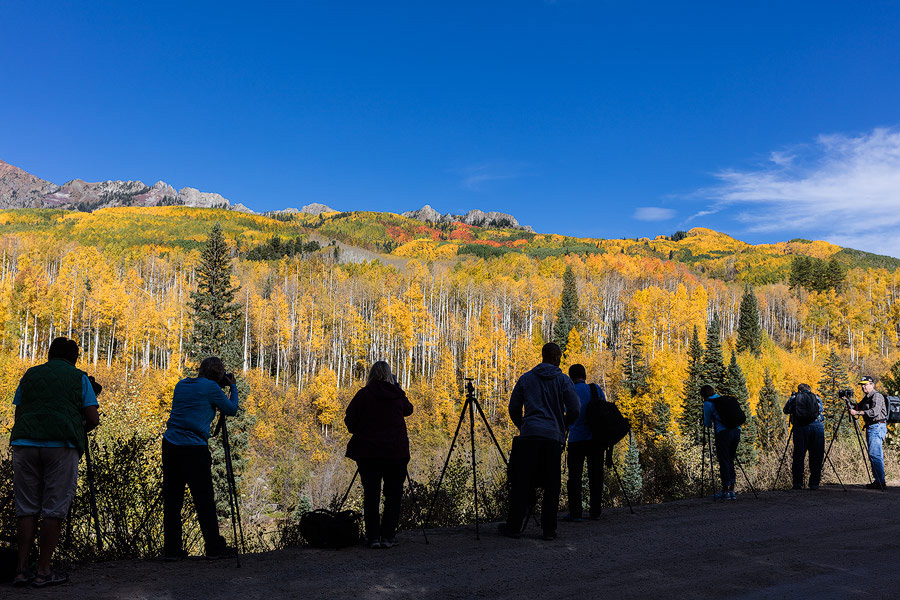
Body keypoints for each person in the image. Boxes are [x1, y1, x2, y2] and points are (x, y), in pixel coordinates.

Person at [10, 337, 100, 587]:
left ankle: (20, 570)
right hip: (61, 445)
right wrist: (77, 426)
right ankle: (43, 571)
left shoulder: (30, 375)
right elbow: (92, 418)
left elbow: (19, 413)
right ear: (75, 358)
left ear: (49, 354)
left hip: (25, 443)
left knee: (26, 508)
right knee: (53, 508)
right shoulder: (79, 377)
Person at [499, 343, 580, 541]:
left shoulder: (526, 378)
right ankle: (548, 530)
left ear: (543, 356)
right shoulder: (563, 381)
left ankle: (514, 527)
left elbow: (514, 407)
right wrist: (563, 425)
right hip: (552, 438)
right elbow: (575, 408)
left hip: (528, 437)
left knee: (522, 482)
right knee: (551, 486)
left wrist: (523, 426)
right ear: (556, 358)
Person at [162, 356, 239, 560]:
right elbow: (231, 409)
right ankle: (214, 548)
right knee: (204, 499)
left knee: (172, 499)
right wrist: (233, 388)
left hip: (170, 444)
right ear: (219, 375)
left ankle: (171, 549)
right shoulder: (212, 389)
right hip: (194, 448)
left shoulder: (181, 384)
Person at [344, 361, 413, 549]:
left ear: (371, 375)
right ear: (389, 375)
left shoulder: (363, 395)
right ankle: (388, 537)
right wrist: (398, 387)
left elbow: (349, 422)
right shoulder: (397, 395)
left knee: (371, 495)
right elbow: (409, 410)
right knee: (393, 495)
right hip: (395, 453)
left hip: (369, 454)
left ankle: (373, 537)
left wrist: (364, 430)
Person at [563, 363, 604, 522]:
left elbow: (565, 411)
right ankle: (595, 512)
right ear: (585, 376)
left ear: (571, 377)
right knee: (596, 475)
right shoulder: (595, 389)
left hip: (576, 439)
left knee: (575, 477)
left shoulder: (570, 391)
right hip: (595, 439)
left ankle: (576, 513)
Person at [782, 383, 825, 490]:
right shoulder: (816, 397)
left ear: (799, 390)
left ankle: (797, 484)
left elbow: (786, 410)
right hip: (817, 427)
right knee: (816, 456)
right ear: (809, 390)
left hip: (800, 428)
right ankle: (814, 484)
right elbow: (821, 410)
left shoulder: (794, 397)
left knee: (798, 456)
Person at [701, 385, 740, 500]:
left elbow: (707, 424)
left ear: (703, 395)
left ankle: (725, 491)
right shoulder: (724, 399)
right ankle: (732, 490)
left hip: (723, 433)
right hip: (736, 431)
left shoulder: (707, 404)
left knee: (723, 461)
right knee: (730, 460)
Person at [850, 375, 887, 489]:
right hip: (872, 427)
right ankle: (878, 481)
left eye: (865, 385)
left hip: (877, 426)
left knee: (875, 455)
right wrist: (847, 401)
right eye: (862, 385)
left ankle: (880, 482)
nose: (863, 387)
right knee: (874, 455)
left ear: (872, 385)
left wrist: (858, 413)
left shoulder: (877, 396)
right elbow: (857, 407)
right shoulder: (866, 398)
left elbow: (875, 411)